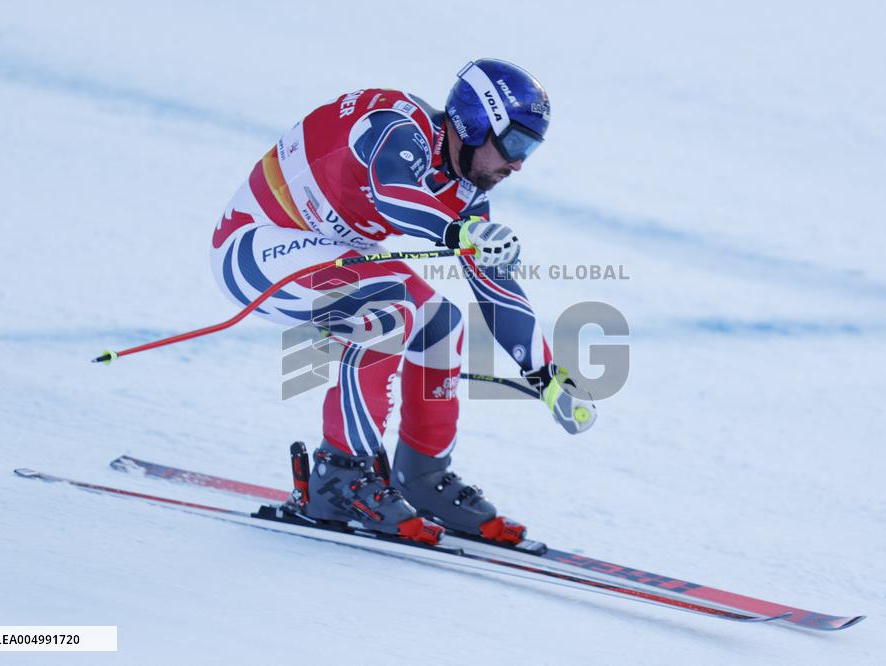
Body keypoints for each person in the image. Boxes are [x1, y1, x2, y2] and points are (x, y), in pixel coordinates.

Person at [210, 58, 596, 546]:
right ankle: (338, 477)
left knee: (440, 322)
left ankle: (422, 475)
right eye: (515, 144)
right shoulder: (397, 125)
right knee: (389, 312)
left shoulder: (467, 192)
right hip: (258, 247)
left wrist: (545, 375)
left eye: (529, 150)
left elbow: (494, 289)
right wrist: (460, 232)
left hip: (329, 252)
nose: (518, 164)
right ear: (476, 123)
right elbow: (391, 190)